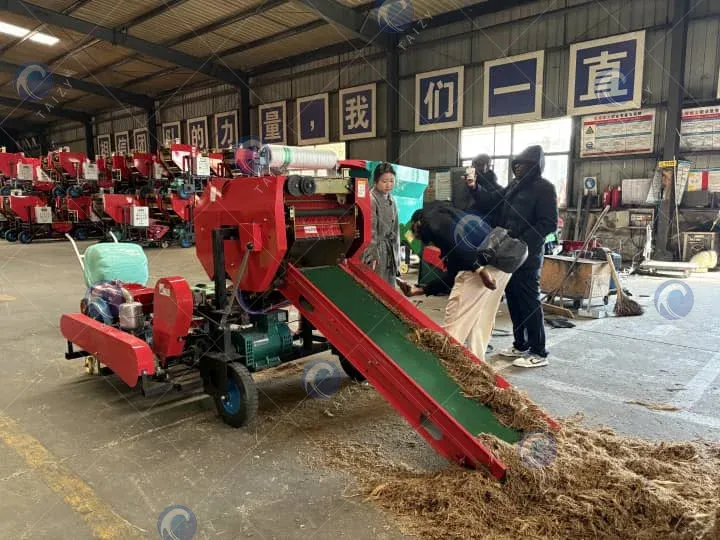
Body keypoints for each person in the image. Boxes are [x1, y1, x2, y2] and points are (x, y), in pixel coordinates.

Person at [397, 201, 528, 361]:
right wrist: (423, 290)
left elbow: (460, 250)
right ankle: (475, 366)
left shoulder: (430, 221)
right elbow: (452, 274)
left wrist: (480, 270)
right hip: (501, 264)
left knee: (456, 319)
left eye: (418, 236)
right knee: (480, 321)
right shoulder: (456, 217)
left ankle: (444, 367)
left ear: (416, 225)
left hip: (482, 267)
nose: (427, 243)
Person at [469, 145, 558, 368]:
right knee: (514, 299)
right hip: (508, 255)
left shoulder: (544, 188)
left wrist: (523, 241)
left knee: (529, 301)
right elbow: (490, 200)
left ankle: (539, 351)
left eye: (523, 165)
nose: (518, 169)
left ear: (534, 167)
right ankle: (520, 344)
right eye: (516, 165)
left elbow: (548, 223)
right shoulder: (514, 186)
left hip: (528, 255)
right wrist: (474, 187)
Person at [362, 162, 400, 287]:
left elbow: (396, 231)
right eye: (384, 181)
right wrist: (371, 256)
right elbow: (370, 231)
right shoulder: (371, 199)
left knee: (390, 288)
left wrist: (397, 257)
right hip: (377, 250)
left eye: (391, 181)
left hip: (389, 251)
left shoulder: (392, 199)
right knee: (377, 287)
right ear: (376, 181)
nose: (388, 185)